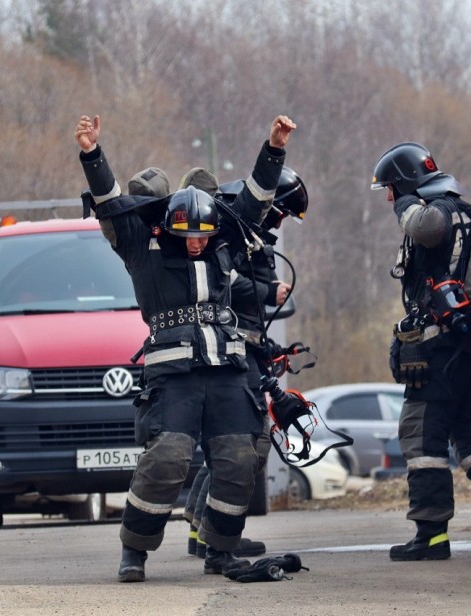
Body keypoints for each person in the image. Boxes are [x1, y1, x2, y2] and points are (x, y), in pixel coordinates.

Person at [74, 112, 296, 583]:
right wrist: (93, 154)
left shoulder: (223, 245)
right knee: (168, 459)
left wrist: (273, 148)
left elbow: (255, 202)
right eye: (188, 235)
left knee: (240, 460)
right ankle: (134, 551)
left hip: (227, 370)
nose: (197, 243)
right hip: (173, 377)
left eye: (204, 235)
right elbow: (110, 201)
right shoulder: (141, 247)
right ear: (170, 227)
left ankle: (220, 550)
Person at [370, 142, 471, 561]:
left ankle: (431, 535)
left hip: (437, 352)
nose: (390, 198)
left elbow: (424, 229)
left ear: (405, 184)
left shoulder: (436, 212)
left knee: (422, 440)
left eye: (391, 189)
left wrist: (404, 200)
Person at [182, 166, 309, 559]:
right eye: (281, 212)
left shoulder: (244, 234)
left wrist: (267, 348)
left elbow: (247, 316)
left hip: (243, 349)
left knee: (232, 444)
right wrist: (269, 290)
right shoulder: (228, 231)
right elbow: (222, 284)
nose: (280, 221)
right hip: (228, 354)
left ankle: (203, 529)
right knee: (245, 443)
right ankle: (214, 533)